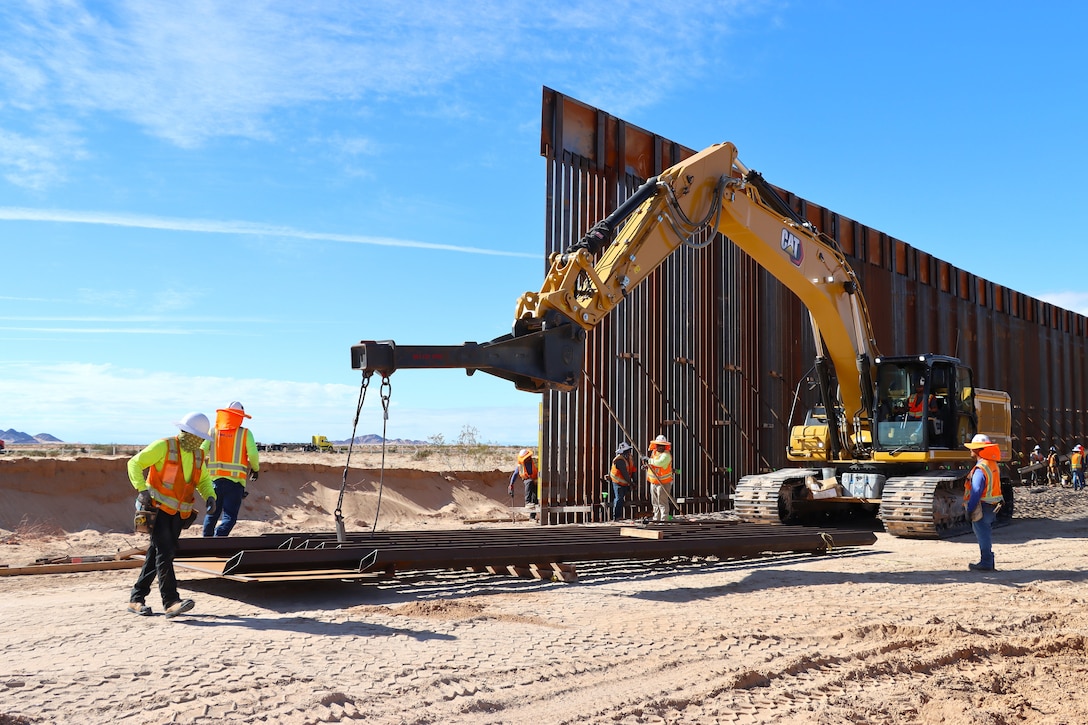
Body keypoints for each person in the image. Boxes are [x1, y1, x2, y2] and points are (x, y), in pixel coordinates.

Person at [126, 412, 216, 618]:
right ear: (183, 431)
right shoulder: (163, 446)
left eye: (199, 437)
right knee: (165, 552)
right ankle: (171, 602)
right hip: (155, 508)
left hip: (178, 514)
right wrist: (141, 488)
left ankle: (136, 598)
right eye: (192, 434)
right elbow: (134, 463)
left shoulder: (198, 455)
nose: (196, 440)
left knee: (156, 554)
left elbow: (202, 480)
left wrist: (210, 495)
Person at [201, 401, 260, 537]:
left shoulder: (213, 432)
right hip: (235, 483)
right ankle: (219, 539)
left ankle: (205, 543)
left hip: (214, 481)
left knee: (212, 514)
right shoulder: (245, 433)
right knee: (230, 516)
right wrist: (255, 469)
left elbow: (201, 452)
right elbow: (253, 454)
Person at [963, 433, 1004, 571]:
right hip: (992, 505)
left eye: (973, 448)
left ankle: (986, 562)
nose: (970, 450)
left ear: (978, 450)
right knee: (985, 532)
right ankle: (987, 560)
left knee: (982, 533)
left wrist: (970, 509)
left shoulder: (980, 468)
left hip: (983, 506)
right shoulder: (992, 464)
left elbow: (976, 490)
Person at [646, 434, 674, 522]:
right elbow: (653, 465)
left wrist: (649, 460)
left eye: (662, 445)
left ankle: (663, 520)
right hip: (654, 482)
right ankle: (656, 519)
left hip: (663, 483)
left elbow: (660, 463)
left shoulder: (666, 455)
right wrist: (647, 465)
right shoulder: (654, 453)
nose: (660, 447)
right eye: (658, 445)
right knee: (655, 503)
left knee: (662, 503)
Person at [609, 442, 638, 521]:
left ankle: (619, 516)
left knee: (621, 499)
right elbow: (624, 473)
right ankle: (616, 517)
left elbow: (633, 469)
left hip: (625, 482)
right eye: (625, 451)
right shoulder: (619, 461)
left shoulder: (630, 458)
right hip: (618, 482)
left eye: (628, 451)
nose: (627, 453)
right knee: (618, 498)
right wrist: (631, 483)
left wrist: (635, 481)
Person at [510, 448, 539, 520]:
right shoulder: (521, 466)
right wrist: (511, 484)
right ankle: (527, 502)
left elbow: (541, 470)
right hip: (527, 480)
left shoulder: (535, 462)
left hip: (536, 480)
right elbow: (515, 474)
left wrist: (538, 479)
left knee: (535, 499)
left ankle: (532, 517)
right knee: (529, 482)